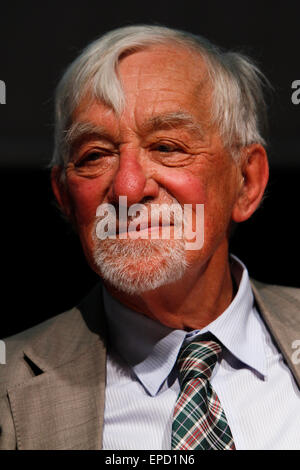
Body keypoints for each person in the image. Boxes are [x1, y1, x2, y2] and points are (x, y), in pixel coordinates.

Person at [0, 25, 299, 451]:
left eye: (167, 146)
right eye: (95, 155)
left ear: (246, 181)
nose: (127, 187)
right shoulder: (8, 389)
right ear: (65, 197)